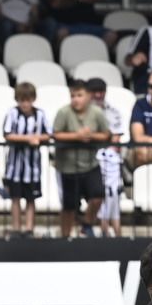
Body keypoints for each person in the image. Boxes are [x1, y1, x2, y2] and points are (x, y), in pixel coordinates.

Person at [52, 78, 113, 238]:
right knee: (69, 206)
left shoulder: (96, 113)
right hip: (68, 168)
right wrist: (76, 136)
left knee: (98, 195)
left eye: (79, 95)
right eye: (73, 96)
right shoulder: (63, 112)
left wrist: (91, 136)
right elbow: (56, 134)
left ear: (88, 96)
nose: (75, 99)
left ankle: (86, 224)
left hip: (90, 164)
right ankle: (65, 238)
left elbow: (106, 134)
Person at [1, 81, 50, 237]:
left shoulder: (40, 114)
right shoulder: (12, 113)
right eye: (22, 100)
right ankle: (16, 228)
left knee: (31, 199)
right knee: (15, 199)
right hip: (14, 167)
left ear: (33, 99)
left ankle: (29, 228)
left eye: (28, 100)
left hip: (33, 168)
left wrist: (37, 139)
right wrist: (28, 139)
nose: (25, 104)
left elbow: (48, 134)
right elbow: (8, 134)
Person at [87, 78, 125, 237]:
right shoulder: (83, 112)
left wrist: (96, 137)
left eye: (101, 91)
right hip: (89, 159)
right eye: (94, 92)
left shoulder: (113, 111)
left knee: (113, 195)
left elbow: (115, 139)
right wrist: (103, 137)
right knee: (99, 195)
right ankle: (101, 230)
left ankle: (116, 234)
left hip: (110, 159)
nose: (98, 95)